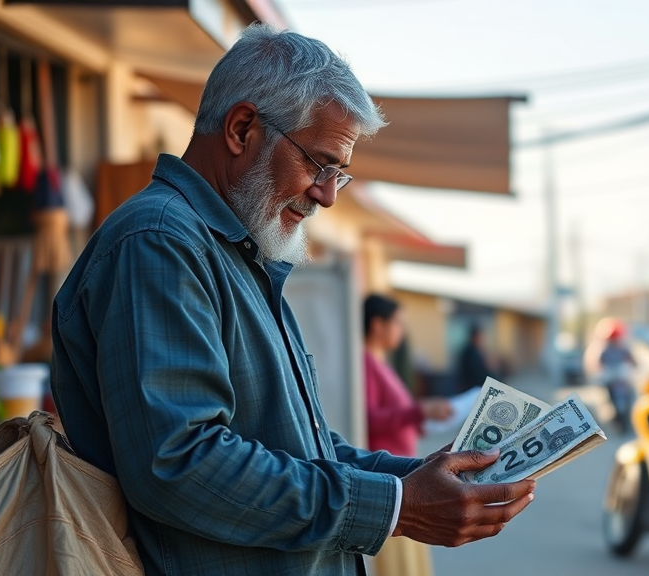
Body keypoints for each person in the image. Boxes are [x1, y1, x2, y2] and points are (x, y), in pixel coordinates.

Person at [49, 25, 534, 576]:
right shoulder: (160, 243)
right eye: (319, 164)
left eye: (339, 175)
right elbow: (178, 464)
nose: (327, 194)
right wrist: (397, 507)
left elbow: (301, 448)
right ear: (241, 129)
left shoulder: (234, 252)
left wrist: (411, 478)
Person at [362, 294, 451, 576]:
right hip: (388, 478)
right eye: (398, 323)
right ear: (378, 325)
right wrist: (418, 411)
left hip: (401, 474)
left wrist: (423, 417)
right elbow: (370, 420)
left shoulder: (379, 362)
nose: (401, 330)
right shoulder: (364, 363)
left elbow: (396, 416)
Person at [598, 319, 638, 432]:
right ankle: (614, 419)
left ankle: (627, 421)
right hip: (611, 381)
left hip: (623, 380)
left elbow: (633, 361)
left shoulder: (623, 349)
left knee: (631, 397)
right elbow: (598, 364)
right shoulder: (605, 350)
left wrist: (634, 366)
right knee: (609, 400)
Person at [456, 324, 491, 394]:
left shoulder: (476, 350)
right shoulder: (470, 352)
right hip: (471, 388)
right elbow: (476, 372)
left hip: (475, 387)